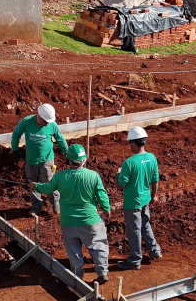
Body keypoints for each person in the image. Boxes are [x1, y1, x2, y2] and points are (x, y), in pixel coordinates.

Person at [31, 144, 112, 284]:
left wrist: (35, 186)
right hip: (90, 220)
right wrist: (106, 208)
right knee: (98, 246)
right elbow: (102, 195)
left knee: (73, 251)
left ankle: (77, 276)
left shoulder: (60, 177)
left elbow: (47, 188)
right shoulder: (93, 176)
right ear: (84, 160)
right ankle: (102, 272)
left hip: (68, 221)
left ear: (68, 160)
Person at [116, 127, 162, 270]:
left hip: (132, 202)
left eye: (130, 143)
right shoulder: (152, 158)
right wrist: (153, 195)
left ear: (135, 143)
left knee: (133, 229)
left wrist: (119, 174)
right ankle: (155, 251)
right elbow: (155, 180)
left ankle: (135, 260)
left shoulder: (129, 163)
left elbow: (121, 186)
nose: (130, 146)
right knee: (145, 224)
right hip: (145, 199)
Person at [11, 103, 69, 217]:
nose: (47, 123)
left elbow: (60, 139)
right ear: (39, 116)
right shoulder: (27, 121)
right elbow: (16, 134)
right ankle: (36, 207)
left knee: (49, 182)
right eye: (45, 121)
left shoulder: (52, 125)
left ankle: (56, 204)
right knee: (33, 184)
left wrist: (67, 154)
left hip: (47, 160)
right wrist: (15, 150)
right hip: (30, 160)